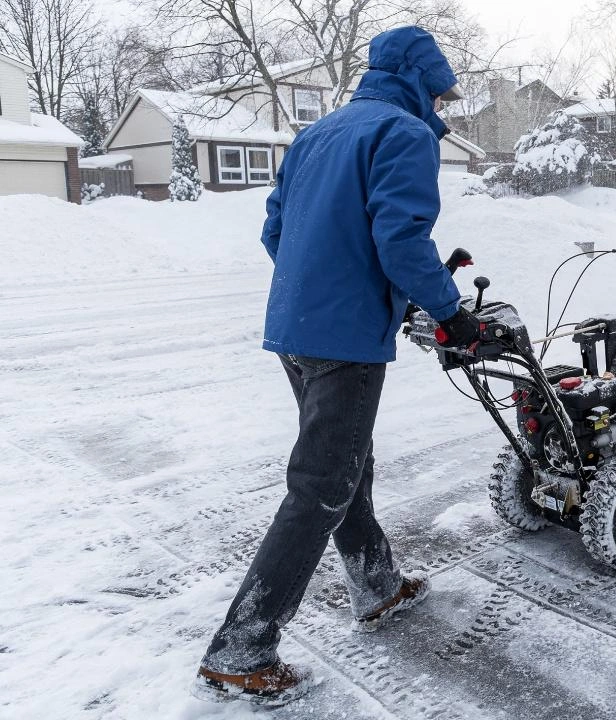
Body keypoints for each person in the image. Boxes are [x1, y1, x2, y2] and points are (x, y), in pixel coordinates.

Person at [193, 26, 482, 706]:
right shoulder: (404, 135)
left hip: (295, 329)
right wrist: (452, 315)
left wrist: (320, 288)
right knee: (321, 486)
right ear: (417, 80)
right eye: (439, 90)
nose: (441, 105)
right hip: (344, 341)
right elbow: (401, 239)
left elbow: (275, 229)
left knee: (345, 464)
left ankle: (376, 584)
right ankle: (243, 647)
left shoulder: (318, 134)